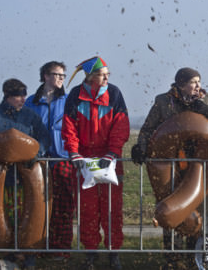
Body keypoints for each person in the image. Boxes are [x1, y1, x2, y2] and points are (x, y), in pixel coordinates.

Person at [131, 67, 208, 270]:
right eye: (193, 82)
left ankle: (195, 259)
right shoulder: (163, 101)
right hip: (171, 167)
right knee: (173, 209)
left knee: (198, 213)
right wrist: (141, 146)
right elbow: (148, 128)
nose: (198, 86)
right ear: (181, 84)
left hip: (200, 167)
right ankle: (172, 258)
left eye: (199, 81)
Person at [49, 56, 129, 270]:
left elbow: (121, 126)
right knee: (88, 209)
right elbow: (69, 126)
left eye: (107, 74)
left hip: (110, 161)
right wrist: (74, 152)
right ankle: (90, 251)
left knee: (112, 208)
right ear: (91, 76)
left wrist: (113, 152)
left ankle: (114, 252)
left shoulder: (114, 93)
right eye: (103, 74)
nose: (107, 77)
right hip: (84, 162)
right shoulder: (76, 95)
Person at [0, 78, 49, 270]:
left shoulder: (31, 117)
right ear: (7, 96)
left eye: (24, 94)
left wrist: (37, 154)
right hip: (0, 181)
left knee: (27, 216)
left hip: (24, 180)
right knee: (3, 216)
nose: (22, 99)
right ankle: (7, 254)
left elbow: (44, 138)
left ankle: (27, 255)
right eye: (18, 96)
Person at [25, 61, 69, 161]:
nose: (62, 78)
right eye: (58, 75)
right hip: (37, 156)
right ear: (46, 76)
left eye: (63, 75)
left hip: (63, 156)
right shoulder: (30, 102)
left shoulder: (69, 100)